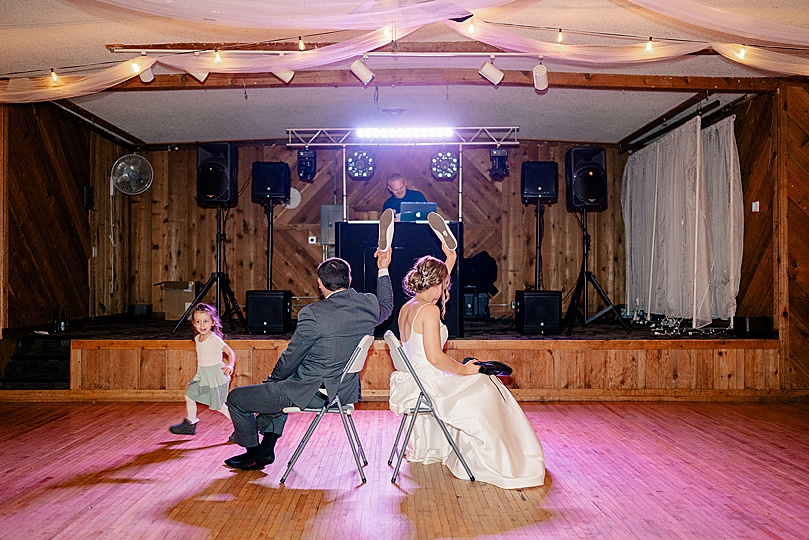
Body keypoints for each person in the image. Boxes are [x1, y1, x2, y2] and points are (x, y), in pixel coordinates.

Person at [389, 241, 546, 489]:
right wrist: (463, 370)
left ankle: (504, 451)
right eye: (445, 282)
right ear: (440, 284)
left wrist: (450, 259)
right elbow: (435, 357)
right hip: (432, 383)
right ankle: (504, 460)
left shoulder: (407, 308)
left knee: (482, 378)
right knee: (490, 386)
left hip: (418, 379)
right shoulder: (428, 310)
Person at [224, 247, 394, 470]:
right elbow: (387, 305)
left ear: (320, 283)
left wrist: (272, 379)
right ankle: (266, 449)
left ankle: (253, 452)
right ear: (349, 279)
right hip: (342, 390)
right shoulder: (369, 305)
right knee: (281, 387)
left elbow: (292, 356)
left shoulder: (313, 314)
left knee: (237, 398)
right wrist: (383, 269)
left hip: (313, 392)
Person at [170, 303, 235, 438]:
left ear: (213, 322)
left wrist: (230, 365)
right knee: (189, 395)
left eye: (206, 321)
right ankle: (191, 423)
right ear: (194, 323)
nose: (202, 325)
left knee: (219, 406)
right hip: (202, 374)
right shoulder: (197, 338)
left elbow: (230, 352)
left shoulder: (214, 339)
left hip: (215, 375)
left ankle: (241, 428)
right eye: (198, 321)